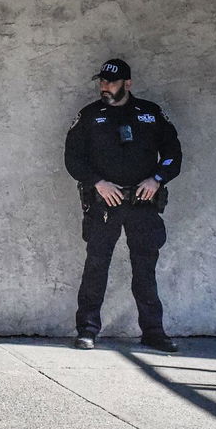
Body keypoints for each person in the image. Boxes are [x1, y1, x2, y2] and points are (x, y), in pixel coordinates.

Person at [64, 58, 183, 353]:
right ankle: (87, 330)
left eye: (111, 82)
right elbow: (73, 158)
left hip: (143, 204)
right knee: (96, 266)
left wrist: (156, 179)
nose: (104, 87)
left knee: (145, 268)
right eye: (101, 81)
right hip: (105, 203)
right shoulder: (90, 116)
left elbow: (173, 154)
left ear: (127, 84)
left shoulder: (150, 114)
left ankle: (153, 332)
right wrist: (97, 183)